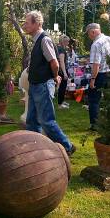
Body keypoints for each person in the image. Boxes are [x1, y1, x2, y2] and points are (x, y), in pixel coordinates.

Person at [22, 11, 76, 156]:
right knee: (32, 121)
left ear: (37, 24)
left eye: (27, 23)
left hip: (42, 85)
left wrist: (55, 77)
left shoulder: (44, 40)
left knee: (46, 120)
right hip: (35, 85)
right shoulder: (37, 40)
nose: (24, 25)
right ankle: (35, 149)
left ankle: (68, 146)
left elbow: (54, 63)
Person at [86, 23, 110, 131]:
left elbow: (96, 64)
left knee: (94, 100)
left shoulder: (96, 44)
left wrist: (93, 79)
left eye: (88, 34)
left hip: (100, 74)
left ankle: (95, 125)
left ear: (93, 32)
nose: (88, 36)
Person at [57, 34, 70, 109]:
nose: (68, 43)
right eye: (67, 42)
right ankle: (60, 104)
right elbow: (61, 62)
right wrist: (65, 73)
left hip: (61, 70)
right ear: (63, 42)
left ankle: (61, 101)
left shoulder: (59, 48)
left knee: (63, 87)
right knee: (62, 87)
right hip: (62, 71)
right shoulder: (61, 49)